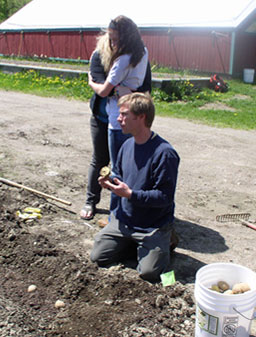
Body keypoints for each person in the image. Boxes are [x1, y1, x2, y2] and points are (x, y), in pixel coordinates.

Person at [90, 93, 180, 282]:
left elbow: (164, 197)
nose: (118, 119)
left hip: (152, 225)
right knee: (98, 257)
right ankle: (140, 247)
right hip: (125, 221)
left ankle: (165, 244)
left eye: (124, 114)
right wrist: (110, 184)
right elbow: (121, 178)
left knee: (150, 275)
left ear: (141, 117)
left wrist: (130, 194)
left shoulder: (165, 153)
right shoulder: (127, 145)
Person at [81, 30, 152, 220]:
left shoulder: (136, 56)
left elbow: (144, 87)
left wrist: (119, 90)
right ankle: (91, 200)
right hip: (101, 117)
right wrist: (122, 89)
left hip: (127, 121)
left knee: (127, 164)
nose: (116, 45)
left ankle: (126, 206)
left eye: (119, 41)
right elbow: (100, 83)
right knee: (100, 159)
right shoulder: (98, 55)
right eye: (112, 42)